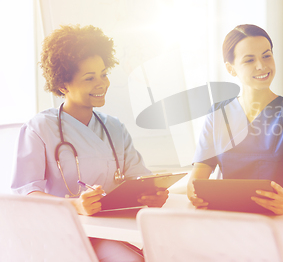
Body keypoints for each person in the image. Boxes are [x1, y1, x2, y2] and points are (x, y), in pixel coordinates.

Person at [11, 25, 168, 262]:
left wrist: (151, 195)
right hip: (60, 233)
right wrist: (76, 205)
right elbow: (26, 194)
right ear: (63, 86)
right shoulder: (40, 128)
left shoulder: (114, 128)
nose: (102, 84)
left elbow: (138, 179)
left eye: (103, 74)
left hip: (107, 232)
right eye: (90, 78)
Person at [187, 24, 283, 215]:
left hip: (277, 219)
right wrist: (195, 194)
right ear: (231, 69)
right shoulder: (218, 115)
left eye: (266, 55)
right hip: (228, 218)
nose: (261, 65)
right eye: (249, 60)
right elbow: (196, 180)